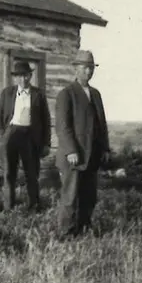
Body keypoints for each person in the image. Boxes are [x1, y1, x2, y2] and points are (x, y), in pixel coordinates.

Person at [54, 49, 111, 237]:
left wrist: (104, 148)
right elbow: (63, 126)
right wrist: (71, 150)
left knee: (89, 197)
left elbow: (101, 124)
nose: (88, 72)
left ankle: (83, 230)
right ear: (76, 69)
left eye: (91, 68)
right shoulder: (67, 94)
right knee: (70, 197)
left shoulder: (96, 94)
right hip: (74, 157)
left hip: (91, 155)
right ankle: (65, 235)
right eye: (85, 68)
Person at [0, 59, 51, 210]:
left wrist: (46, 143)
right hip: (11, 134)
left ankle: (34, 206)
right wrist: (2, 134)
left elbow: (46, 120)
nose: (23, 79)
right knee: (9, 173)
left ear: (30, 76)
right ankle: (8, 207)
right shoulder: (7, 93)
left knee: (32, 173)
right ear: (15, 77)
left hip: (30, 136)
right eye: (20, 76)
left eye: (26, 75)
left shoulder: (38, 94)